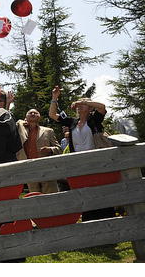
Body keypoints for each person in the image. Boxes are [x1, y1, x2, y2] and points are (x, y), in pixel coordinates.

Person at [49, 85, 115, 220]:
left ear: (90, 108)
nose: (79, 105)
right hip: (79, 163)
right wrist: (54, 98)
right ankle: (89, 220)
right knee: (84, 192)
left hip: (96, 161)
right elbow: (52, 115)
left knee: (101, 190)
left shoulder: (94, 120)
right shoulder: (72, 122)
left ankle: (108, 220)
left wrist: (84, 101)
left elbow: (102, 106)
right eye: (78, 103)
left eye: (83, 104)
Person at [15, 109, 62, 194]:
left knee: (51, 197)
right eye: (30, 113)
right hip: (29, 169)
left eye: (35, 113)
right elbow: (17, 123)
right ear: (26, 117)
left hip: (46, 168)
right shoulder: (20, 131)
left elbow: (59, 149)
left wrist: (50, 149)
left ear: (39, 118)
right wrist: (22, 123)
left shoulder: (48, 131)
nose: (33, 114)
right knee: (35, 197)